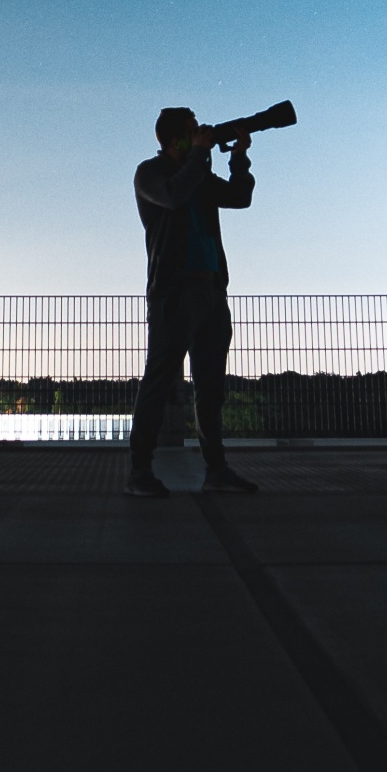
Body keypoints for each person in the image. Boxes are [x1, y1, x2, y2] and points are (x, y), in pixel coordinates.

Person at [126, 105, 260, 498]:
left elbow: (239, 197)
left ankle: (216, 471)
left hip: (211, 291)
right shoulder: (151, 173)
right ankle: (139, 472)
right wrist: (201, 154)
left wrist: (238, 158)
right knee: (159, 381)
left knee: (211, 387)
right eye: (192, 129)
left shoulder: (198, 173)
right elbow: (173, 196)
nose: (201, 132)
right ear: (173, 138)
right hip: (173, 292)